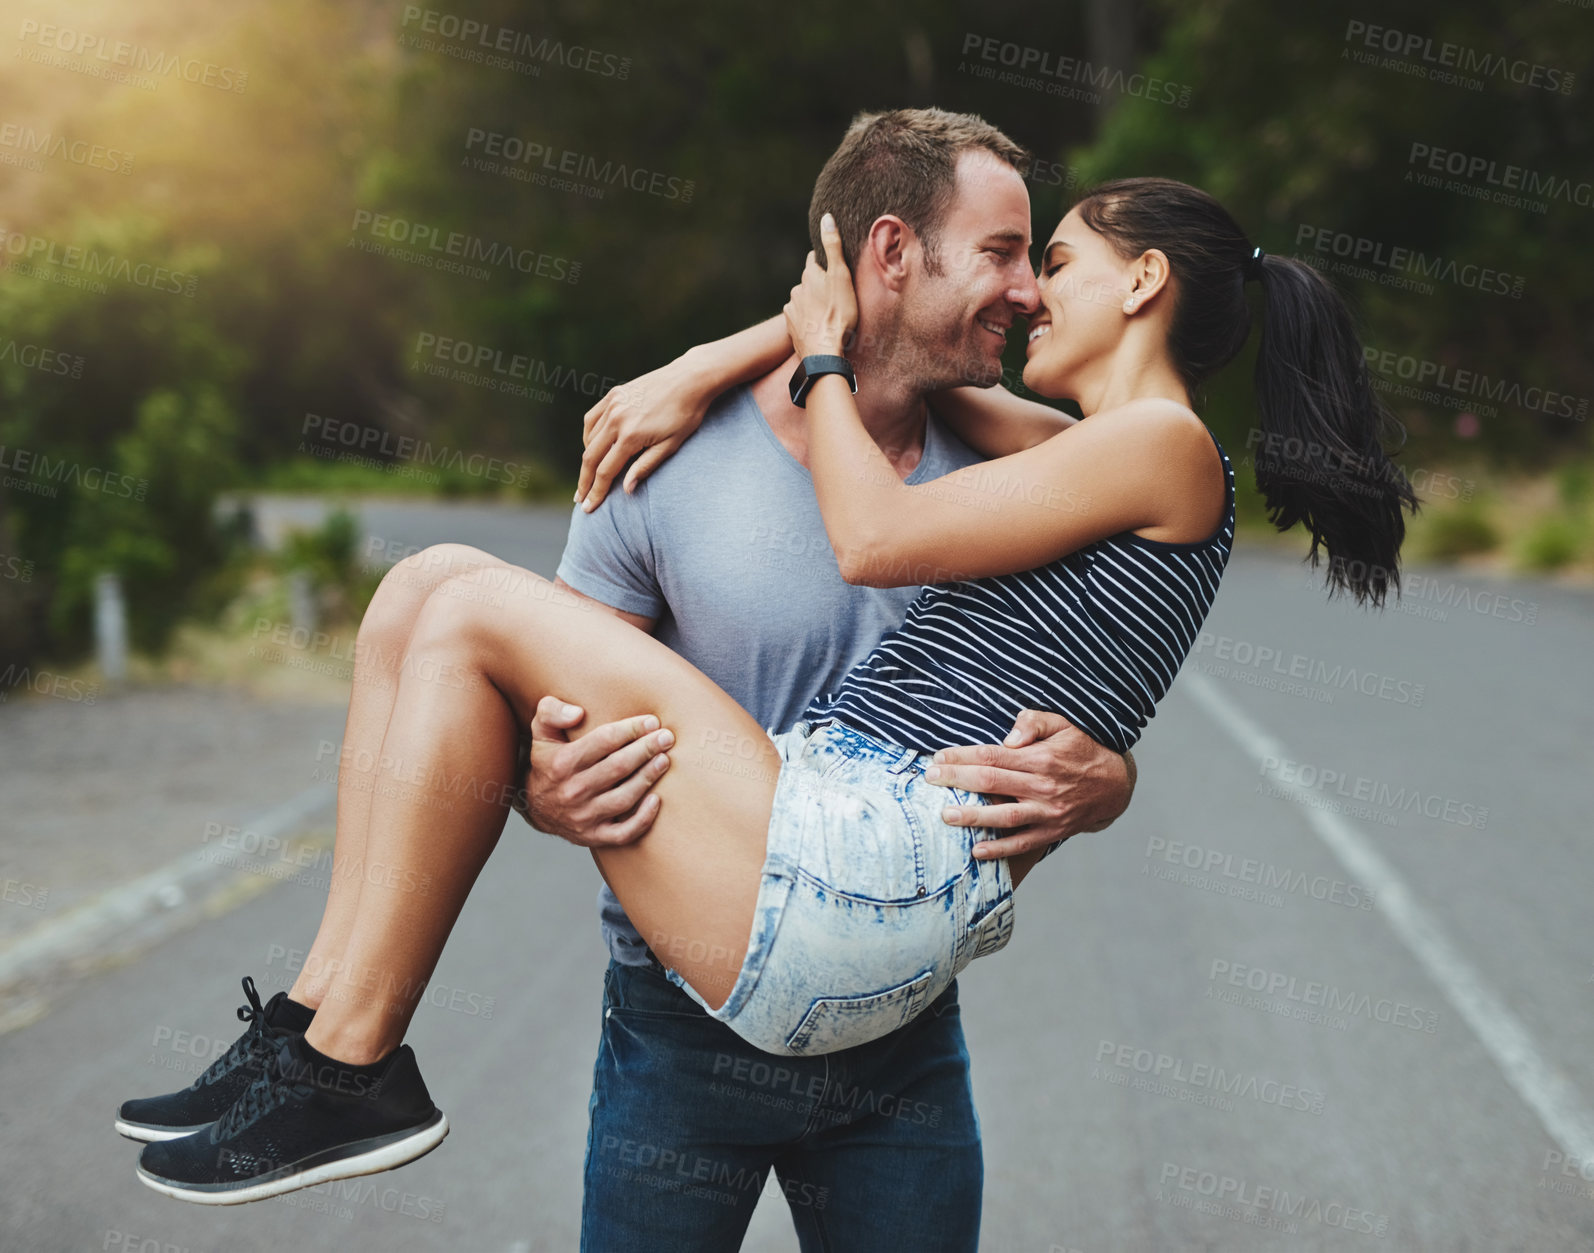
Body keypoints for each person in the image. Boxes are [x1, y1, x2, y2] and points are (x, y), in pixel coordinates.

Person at [131, 150, 1416, 1238]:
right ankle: (312, 1030)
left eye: (1060, 262)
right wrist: (717, 359)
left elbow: (869, 535)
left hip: (856, 873)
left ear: (1145, 283)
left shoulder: (1157, 444)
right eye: (1016, 259)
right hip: (815, 856)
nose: (1031, 297)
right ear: (896, 251)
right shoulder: (1097, 449)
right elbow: (890, 341)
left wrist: (812, 362)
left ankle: (354, 1060)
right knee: (419, 592)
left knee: (461, 595)